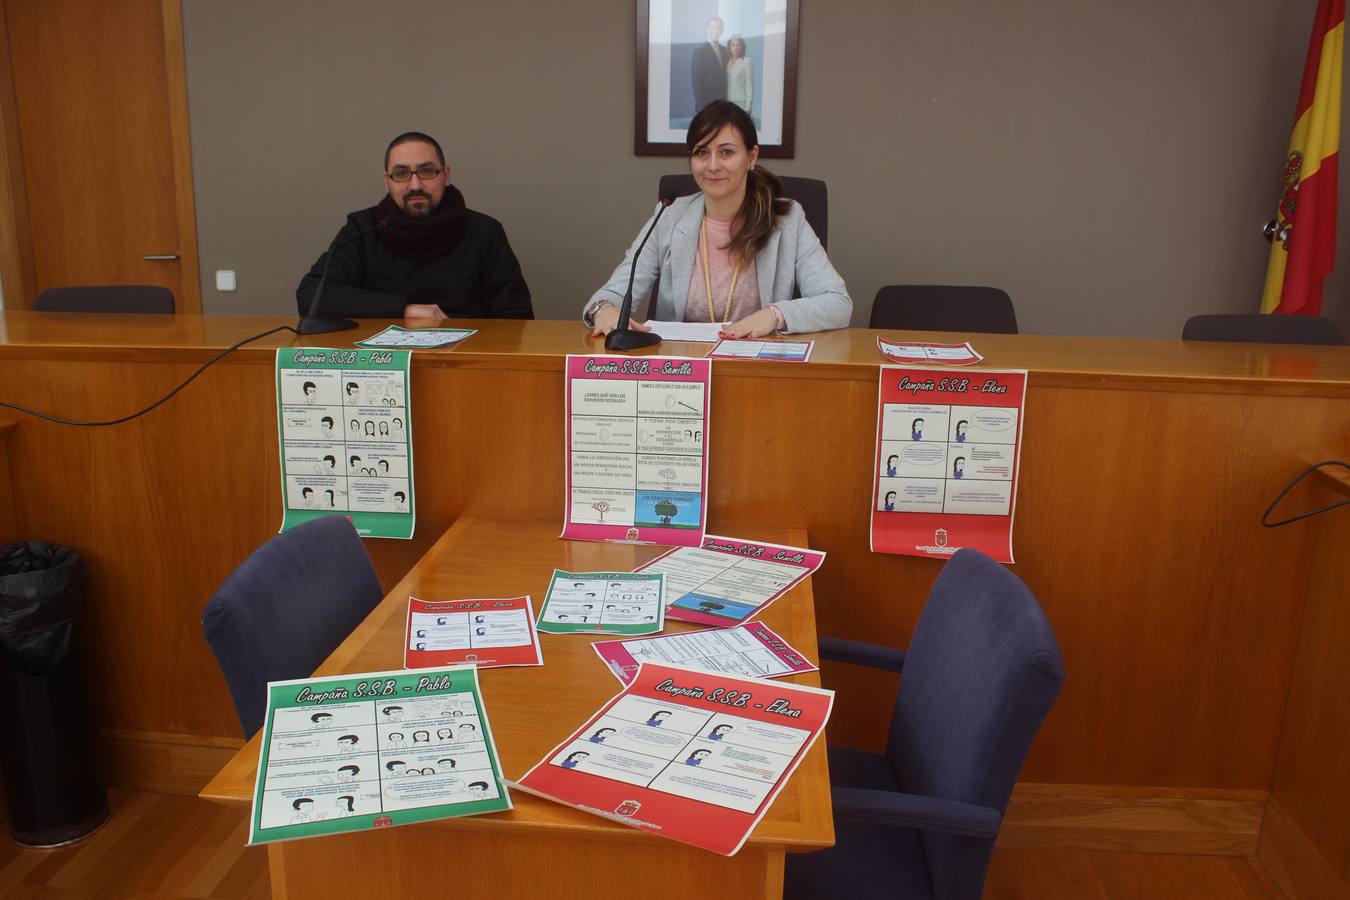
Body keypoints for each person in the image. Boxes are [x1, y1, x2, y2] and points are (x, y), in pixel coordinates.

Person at [585, 102, 850, 338]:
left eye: (726, 152)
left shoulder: (788, 219)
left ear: (752, 156)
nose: (712, 166)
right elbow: (610, 295)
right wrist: (603, 311)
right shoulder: (669, 215)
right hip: (682, 373)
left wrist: (773, 315)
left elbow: (838, 302)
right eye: (701, 152)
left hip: (757, 370)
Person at [296, 132, 532, 320]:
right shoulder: (363, 228)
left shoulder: (484, 232)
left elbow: (517, 317)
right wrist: (404, 309)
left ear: (446, 175)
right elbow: (310, 295)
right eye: (401, 174)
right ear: (387, 182)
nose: (415, 184)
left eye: (427, 171)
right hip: (382, 370)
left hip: (465, 366)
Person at [691, 17, 728, 112]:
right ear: (707, 29)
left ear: (722, 31)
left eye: (718, 28)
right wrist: (702, 109)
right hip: (707, 106)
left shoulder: (725, 51)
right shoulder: (699, 52)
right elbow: (696, 83)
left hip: (723, 105)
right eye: (712, 27)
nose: (715, 31)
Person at [726, 35, 753, 114]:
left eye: (738, 44)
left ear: (742, 46)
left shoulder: (746, 61)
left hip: (741, 102)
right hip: (728, 102)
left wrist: (748, 106)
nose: (735, 48)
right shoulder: (727, 62)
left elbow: (749, 85)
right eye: (733, 45)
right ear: (729, 47)